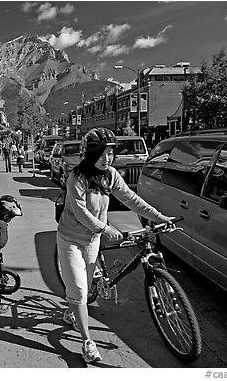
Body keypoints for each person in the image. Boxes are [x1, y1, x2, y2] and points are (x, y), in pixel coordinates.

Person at [56, 127, 173, 364]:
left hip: (91, 241)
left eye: (111, 153)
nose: (107, 159)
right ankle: (87, 342)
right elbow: (80, 210)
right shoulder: (77, 177)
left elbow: (131, 198)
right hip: (70, 239)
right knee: (79, 290)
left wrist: (160, 217)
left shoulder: (110, 175)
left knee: (84, 292)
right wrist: (104, 228)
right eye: (102, 154)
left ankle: (73, 310)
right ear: (90, 153)